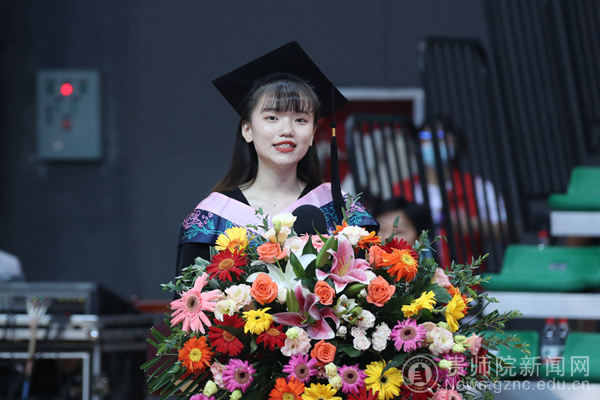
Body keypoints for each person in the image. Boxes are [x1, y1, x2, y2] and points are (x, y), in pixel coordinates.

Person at [175, 42, 379, 275]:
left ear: (313, 134)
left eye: (300, 120)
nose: (287, 130)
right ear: (247, 130)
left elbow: (370, 285)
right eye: (272, 117)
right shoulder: (213, 217)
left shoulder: (340, 209)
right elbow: (190, 296)